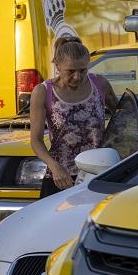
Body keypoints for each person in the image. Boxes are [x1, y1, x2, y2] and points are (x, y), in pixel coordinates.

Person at [30, 36, 117, 198]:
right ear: (57, 66)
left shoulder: (100, 84)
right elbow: (36, 140)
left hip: (98, 175)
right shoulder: (43, 92)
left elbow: (123, 119)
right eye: (70, 71)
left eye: (83, 70)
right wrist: (54, 167)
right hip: (62, 178)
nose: (77, 77)